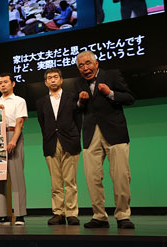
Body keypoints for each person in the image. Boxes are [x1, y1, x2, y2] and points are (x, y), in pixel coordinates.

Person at [75, 50, 135, 229]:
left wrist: (110, 93)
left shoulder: (112, 75)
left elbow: (130, 98)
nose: (85, 68)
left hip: (115, 132)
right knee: (92, 177)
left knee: (121, 176)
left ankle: (123, 215)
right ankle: (99, 216)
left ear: (96, 63)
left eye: (87, 63)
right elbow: (75, 109)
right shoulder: (78, 83)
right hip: (90, 134)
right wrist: (80, 102)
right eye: (81, 66)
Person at [36, 68, 82, 226]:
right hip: (51, 143)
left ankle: (71, 213)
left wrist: (75, 137)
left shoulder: (71, 97)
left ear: (61, 80)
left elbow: (78, 120)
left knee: (70, 181)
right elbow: (42, 123)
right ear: (46, 82)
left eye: (56, 77)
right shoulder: (41, 102)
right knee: (55, 182)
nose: (53, 80)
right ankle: (58, 213)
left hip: (70, 141)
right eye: (50, 78)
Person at [0, 72, 28, 226]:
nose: (2, 85)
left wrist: (13, 141)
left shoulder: (19, 101)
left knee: (17, 177)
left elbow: (19, 123)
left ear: (13, 83)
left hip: (13, 134)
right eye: (0, 83)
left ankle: (19, 215)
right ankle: (1, 215)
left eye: (5, 82)